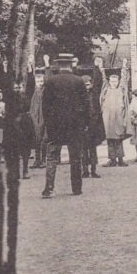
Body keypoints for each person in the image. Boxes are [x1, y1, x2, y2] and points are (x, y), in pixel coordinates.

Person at [41, 63, 88, 198]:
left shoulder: (51, 81)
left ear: (59, 66)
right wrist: (84, 123)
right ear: (70, 65)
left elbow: (45, 106)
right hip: (74, 127)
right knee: (75, 157)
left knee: (52, 157)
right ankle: (76, 188)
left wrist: (48, 124)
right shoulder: (78, 81)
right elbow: (85, 104)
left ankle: (49, 188)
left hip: (55, 127)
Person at [101, 73, 131, 167]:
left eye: (115, 81)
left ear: (118, 82)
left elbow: (124, 80)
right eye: (112, 81)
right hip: (108, 120)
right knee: (110, 140)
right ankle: (112, 160)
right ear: (109, 82)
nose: (113, 83)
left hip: (118, 119)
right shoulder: (106, 90)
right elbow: (103, 79)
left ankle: (120, 159)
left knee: (118, 140)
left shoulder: (121, 90)